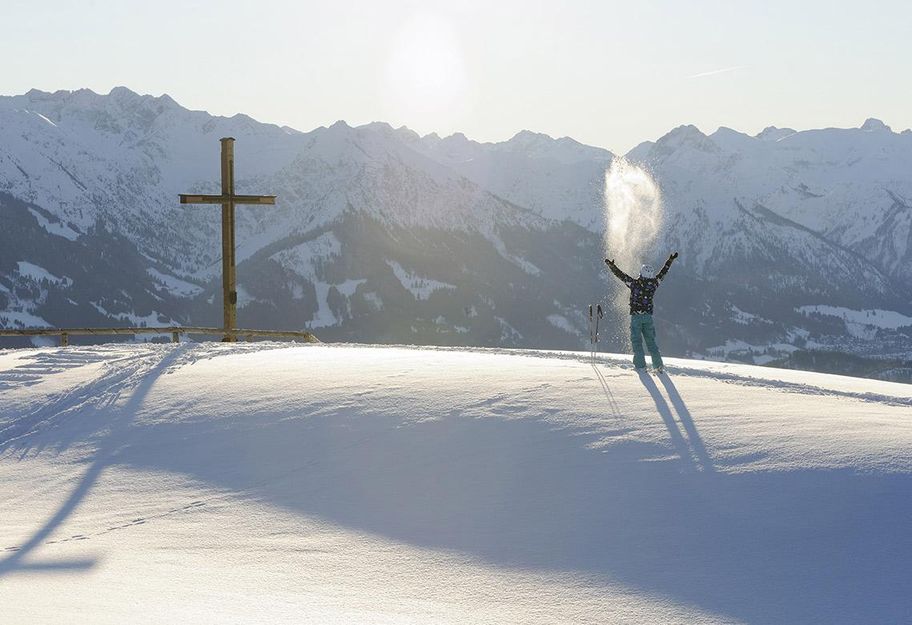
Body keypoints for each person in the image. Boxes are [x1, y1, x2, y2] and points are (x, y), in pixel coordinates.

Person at [604, 252, 678, 373]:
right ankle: (658, 366)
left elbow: (621, 276)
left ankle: (640, 367)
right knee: (651, 343)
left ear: (641, 273)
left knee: (637, 342)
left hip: (636, 317)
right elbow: (662, 273)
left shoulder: (634, 284)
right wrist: (670, 260)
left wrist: (612, 266)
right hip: (648, 317)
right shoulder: (654, 284)